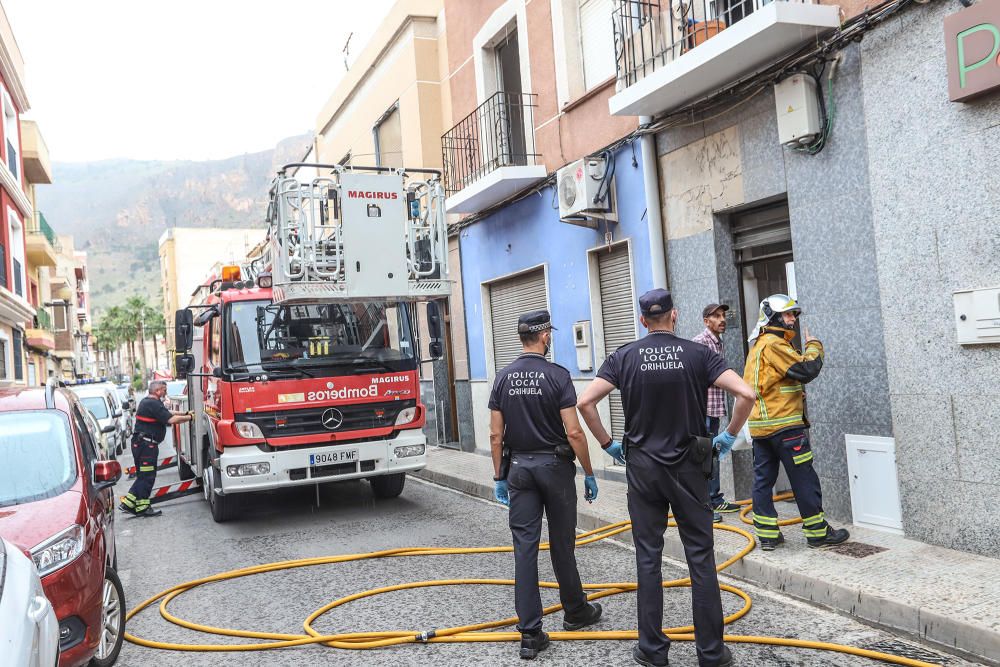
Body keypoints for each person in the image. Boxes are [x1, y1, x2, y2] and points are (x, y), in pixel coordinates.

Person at [578, 289, 755, 667]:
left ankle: (653, 651)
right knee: (700, 558)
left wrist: (608, 444)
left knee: (648, 558)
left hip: (643, 469)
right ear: (674, 316)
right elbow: (746, 393)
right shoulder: (699, 354)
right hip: (689, 468)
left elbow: (585, 403)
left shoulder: (624, 356)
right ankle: (710, 652)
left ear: (643, 320)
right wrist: (726, 436)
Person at [489, 309, 603, 660]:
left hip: (519, 469)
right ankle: (575, 611)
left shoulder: (503, 377)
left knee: (524, 548)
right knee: (561, 543)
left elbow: (495, 434)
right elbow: (573, 431)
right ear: (545, 337)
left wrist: (499, 477)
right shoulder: (556, 376)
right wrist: (589, 472)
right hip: (554, 468)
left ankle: (530, 633)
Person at [743, 294, 849, 550]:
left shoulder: (759, 346)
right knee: (803, 478)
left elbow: (771, 384)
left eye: (794, 314)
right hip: (785, 427)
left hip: (762, 427)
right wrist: (815, 346)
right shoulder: (773, 344)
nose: (793, 319)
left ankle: (768, 535)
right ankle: (817, 533)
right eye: (789, 314)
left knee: (763, 480)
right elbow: (806, 369)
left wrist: (792, 392)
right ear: (774, 317)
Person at [692, 303, 742, 523]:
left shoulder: (717, 343)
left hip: (713, 408)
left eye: (724, 316)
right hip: (702, 408)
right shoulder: (700, 343)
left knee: (712, 454)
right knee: (702, 457)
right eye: (717, 316)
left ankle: (714, 497)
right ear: (706, 321)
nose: (723, 319)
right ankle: (703, 505)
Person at [119, 381, 193, 517]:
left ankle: (128, 504)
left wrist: (185, 412)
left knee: (143, 476)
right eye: (164, 390)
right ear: (158, 390)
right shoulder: (152, 404)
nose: (166, 392)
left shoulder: (149, 403)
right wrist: (190, 417)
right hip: (146, 447)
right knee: (147, 477)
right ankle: (143, 507)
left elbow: (166, 412)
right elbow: (171, 420)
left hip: (142, 445)